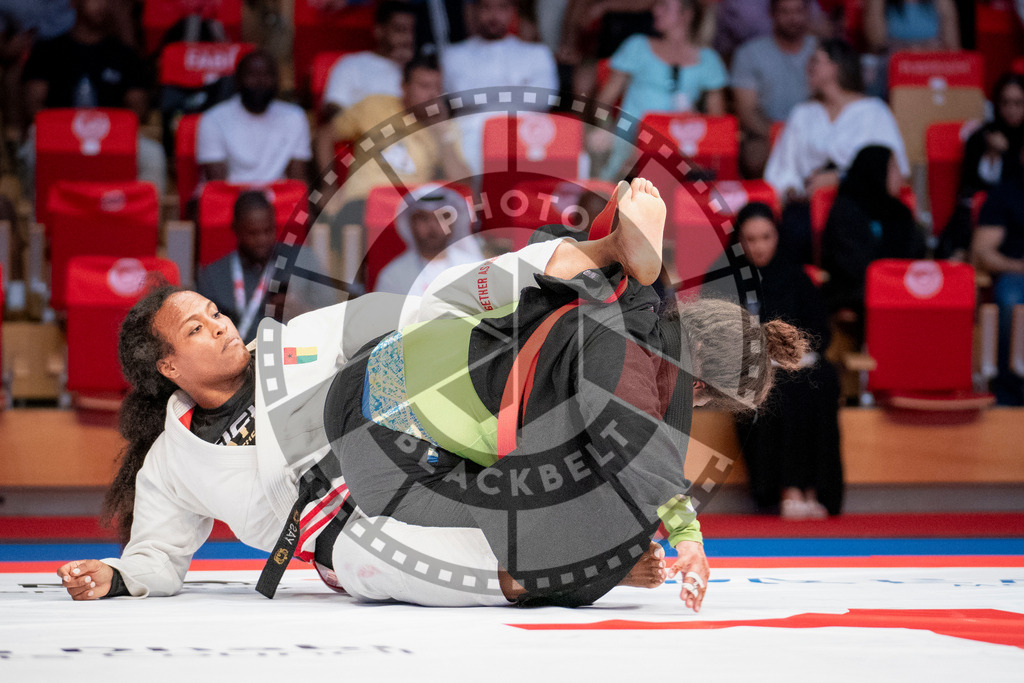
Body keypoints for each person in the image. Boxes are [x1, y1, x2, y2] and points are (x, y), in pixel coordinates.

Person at [53, 178, 697, 606]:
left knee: (438, 306)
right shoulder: (173, 460)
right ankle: (592, 554)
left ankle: (610, 254)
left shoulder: (294, 341)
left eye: (214, 311)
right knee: (374, 556)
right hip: (355, 530)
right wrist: (115, 577)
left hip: (417, 441)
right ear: (167, 367)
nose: (219, 323)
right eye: (195, 328)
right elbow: (159, 554)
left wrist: (460, 323)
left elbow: (409, 323)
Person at [324, 178, 810, 607]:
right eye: (699, 403)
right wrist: (656, 547)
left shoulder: (628, 301)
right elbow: (637, 437)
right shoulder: (630, 362)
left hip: (378, 361)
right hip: (380, 441)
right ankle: (331, 547)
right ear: (699, 388)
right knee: (550, 537)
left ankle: (609, 245)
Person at [732, 201, 843, 519]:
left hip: (797, 363)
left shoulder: (795, 276)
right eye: (751, 239)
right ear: (739, 241)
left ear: (777, 236)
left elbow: (821, 331)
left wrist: (794, 350)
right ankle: (789, 489)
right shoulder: (727, 278)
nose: (759, 247)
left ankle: (815, 490)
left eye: (766, 237)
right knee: (782, 391)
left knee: (822, 381)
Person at [765, 38, 908, 263]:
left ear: (837, 66)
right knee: (791, 229)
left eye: (816, 61)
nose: (809, 67)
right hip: (806, 206)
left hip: (860, 206)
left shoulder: (874, 112)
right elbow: (782, 169)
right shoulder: (803, 112)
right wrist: (793, 190)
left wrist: (838, 180)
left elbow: (893, 175)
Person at [18, 0, 167, 202]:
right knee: (31, 152)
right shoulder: (49, 50)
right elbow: (33, 105)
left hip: (113, 137)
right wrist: (64, 130)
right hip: (58, 137)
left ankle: (141, 223)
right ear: (75, 3)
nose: (103, 5)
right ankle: (38, 225)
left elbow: (137, 109)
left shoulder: (125, 54)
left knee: (153, 155)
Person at [595, 0, 728, 181]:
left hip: (682, 148)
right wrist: (604, 130)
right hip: (630, 145)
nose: (655, 10)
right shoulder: (637, 46)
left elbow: (717, 124)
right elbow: (603, 103)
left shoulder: (708, 59)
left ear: (685, 15)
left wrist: (695, 120)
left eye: (664, 6)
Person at [821, 145, 926, 343]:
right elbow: (849, 263)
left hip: (899, 286)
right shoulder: (845, 211)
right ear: (877, 171)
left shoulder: (900, 212)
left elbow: (915, 254)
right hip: (856, 289)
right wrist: (887, 278)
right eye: (893, 168)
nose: (901, 175)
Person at [441, 0, 558, 174]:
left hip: (526, 141)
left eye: (502, 8)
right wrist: (518, 88)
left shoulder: (537, 53)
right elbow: (462, 97)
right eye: (486, 7)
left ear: (512, 11)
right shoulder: (454, 54)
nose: (494, 16)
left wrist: (485, 91)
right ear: (474, 10)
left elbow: (544, 99)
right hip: (471, 142)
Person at [312, 1, 417, 173]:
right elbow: (333, 110)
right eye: (399, 30)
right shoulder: (352, 65)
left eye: (411, 31)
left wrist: (409, 67)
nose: (408, 38)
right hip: (366, 150)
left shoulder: (418, 71)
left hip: (416, 151)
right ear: (379, 31)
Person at [939, 73, 1024, 260]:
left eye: (1018, 103)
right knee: (960, 233)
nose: (1011, 109)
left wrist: (1007, 154)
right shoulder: (979, 138)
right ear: (996, 104)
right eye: (1005, 103)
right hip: (973, 214)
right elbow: (967, 185)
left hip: (1013, 217)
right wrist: (991, 154)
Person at [731, 0, 818, 179]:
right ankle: (762, 202)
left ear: (808, 13)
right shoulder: (749, 53)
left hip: (814, 132)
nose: (793, 18)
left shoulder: (822, 51)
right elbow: (747, 111)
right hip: (766, 134)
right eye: (785, 12)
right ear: (772, 14)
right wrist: (783, 138)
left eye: (798, 11)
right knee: (753, 155)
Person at [196, 50, 311, 184]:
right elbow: (217, 185)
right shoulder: (213, 119)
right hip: (230, 199)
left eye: (267, 75)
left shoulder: (295, 117)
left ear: (277, 81)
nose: (260, 81)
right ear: (237, 81)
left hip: (280, 199)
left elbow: (297, 183)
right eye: (252, 75)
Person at [972, 155, 1024, 406]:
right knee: (1010, 298)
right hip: (1017, 272)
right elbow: (982, 251)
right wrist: (1018, 266)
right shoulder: (1006, 194)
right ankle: (1009, 391)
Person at [195, 190, 278, 343]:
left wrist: (299, 308)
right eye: (253, 233)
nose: (262, 240)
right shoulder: (212, 277)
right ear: (236, 229)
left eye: (268, 231)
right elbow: (202, 333)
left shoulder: (298, 267)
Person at [374, 183, 484, 296]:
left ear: (453, 223)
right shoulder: (393, 276)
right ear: (410, 224)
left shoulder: (474, 268)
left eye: (441, 217)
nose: (432, 225)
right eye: (423, 218)